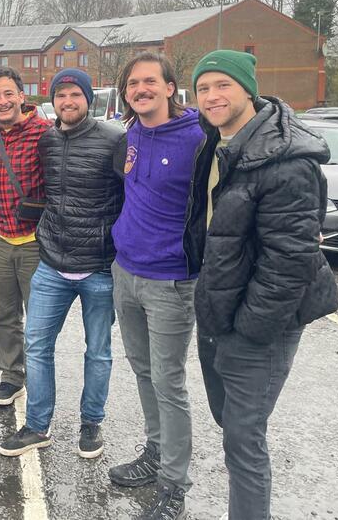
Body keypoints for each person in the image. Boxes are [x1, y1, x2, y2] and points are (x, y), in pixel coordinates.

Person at [186, 50, 338, 520]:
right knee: (229, 421)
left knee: (243, 440)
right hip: (220, 311)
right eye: (203, 88)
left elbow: (289, 261)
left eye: (223, 85)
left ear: (248, 89)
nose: (212, 96)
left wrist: (248, 330)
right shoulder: (216, 144)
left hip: (260, 325)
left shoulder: (285, 160)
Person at [0, 68, 124, 459]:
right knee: (37, 347)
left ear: (89, 98)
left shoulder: (115, 139)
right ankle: (37, 425)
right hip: (52, 262)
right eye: (61, 95)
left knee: (98, 351)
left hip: (99, 267)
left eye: (75, 95)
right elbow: (10, 125)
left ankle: (91, 422)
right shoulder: (48, 139)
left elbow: (135, 196)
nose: (68, 102)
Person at [108, 52, 206, 520]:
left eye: (150, 81)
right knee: (143, 371)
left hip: (170, 280)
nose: (140, 89)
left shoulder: (199, 138)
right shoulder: (132, 134)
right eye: (132, 84)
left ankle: (174, 484)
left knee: (169, 381)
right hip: (125, 272)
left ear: (170, 87)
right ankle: (154, 454)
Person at [0, 66, 50, 406]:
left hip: (35, 240)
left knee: (37, 320)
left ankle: (39, 379)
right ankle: (11, 376)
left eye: (9, 94)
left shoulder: (45, 132)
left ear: (22, 96)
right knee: (4, 315)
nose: (3, 101)